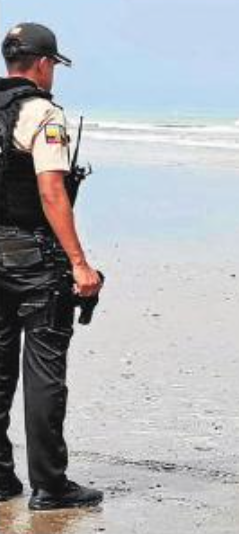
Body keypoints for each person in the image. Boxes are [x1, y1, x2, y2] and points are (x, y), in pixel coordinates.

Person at [0, 23, 104, 510]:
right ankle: (50, 484)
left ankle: (1, 476)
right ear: (43, 64)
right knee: (44, 371)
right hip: (35, 258)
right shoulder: (42, 112)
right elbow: (50, 191)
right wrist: (80, 265)